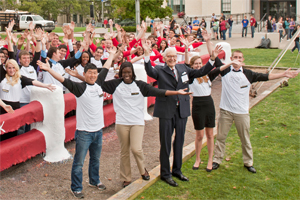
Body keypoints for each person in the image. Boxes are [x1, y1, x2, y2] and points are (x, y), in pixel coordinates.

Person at [99, 53, 191, 188]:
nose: (126, 75)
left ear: (133, 73)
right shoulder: (115, 84)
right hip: (122, 122)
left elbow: (159, 91)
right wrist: (110, 60)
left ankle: (143, 170)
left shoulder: (140, 85)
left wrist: (177, 93)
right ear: (120, 73)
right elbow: (98, 82)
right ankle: (126, 177)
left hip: (137, 122)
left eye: (129, 72)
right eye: (124, 72)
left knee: (136, 149)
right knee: (124, 151)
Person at [37, 50, 118, 199]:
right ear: (85, 74)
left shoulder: (99, 83)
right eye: (90, 73)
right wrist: (48, 69)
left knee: (95, 159)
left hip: (98, 131)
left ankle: (94, 180)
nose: (93, 75)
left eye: (95, 73)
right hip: (84, 133)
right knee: (79, 162)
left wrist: (112, 55)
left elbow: (106, 67)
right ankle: (76, 187)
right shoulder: (80, 88)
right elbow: (63, 80)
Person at [142, 30, 218, 187]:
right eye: (169, 56)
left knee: (180, 141)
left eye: (174, 56)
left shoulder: (184, 69)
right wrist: (147, 55)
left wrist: (211, 59)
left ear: (177, 58)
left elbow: (201, 71)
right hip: (166, 110)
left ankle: (177, 170)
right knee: (166, 142)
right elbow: (149, 70)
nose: (171, 59)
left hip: (181, 110)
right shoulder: (160, 70)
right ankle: (165, 173)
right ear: (165, 58)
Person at [211, 50, 299, 173]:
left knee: (245, 139)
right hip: (226, 111)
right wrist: (208, 41)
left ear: (243, 60)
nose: (237, 59)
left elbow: (266, 77)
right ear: (231, 58)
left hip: (242, 113)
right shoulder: (225, 70)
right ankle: (217, 160)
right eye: (235, 57)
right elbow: (214, 57)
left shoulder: (248, 74)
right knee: (221, 137)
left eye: (240, 57)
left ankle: (248, 162)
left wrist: (284, 74)